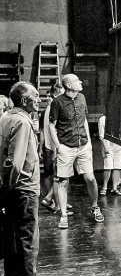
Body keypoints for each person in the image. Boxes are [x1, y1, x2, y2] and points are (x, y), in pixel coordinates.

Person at [0, 82, 52, 276]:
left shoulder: (6, 117)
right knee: (28, 242)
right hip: (23, 190)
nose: (38, 100)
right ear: (24, 100)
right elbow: (15, 162)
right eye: (35, 96)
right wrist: (8, 188)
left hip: (13, 189)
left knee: (13, 241)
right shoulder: (22, 122)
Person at [48, 74, 104, 229]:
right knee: (63, 182)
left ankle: (95, 206)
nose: (80, 82)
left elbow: (83, 119)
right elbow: (52, 125)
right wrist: (58, 146)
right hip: (66, 146)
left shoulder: (82, 98)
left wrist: (89, 141)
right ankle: (63, 215)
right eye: (76, 81)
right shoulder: (57, 102)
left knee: (91, 178)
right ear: (68, 85)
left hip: (83, 145)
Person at [39, 83, 64, 212]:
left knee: (54, 176)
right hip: (53, 147)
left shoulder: (50, 108)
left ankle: (56, 202)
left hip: (50, 147)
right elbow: (50, 130)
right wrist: (56, 149)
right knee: (58, 177)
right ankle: (52, 201)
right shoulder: (54, 107)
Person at [98, 113, 121, 196]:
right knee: (108, 167)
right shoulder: (103, 118)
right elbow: (101, 135)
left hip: (119, 145)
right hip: (108, 145)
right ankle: (105, 187)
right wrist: (105, 146)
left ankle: (114, 188)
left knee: (118, 167)